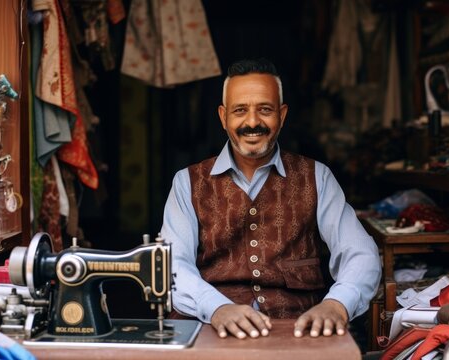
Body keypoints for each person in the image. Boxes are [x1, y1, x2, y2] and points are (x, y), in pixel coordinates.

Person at [160, 58, 381, 340]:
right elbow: (172, 266)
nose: (252, 122)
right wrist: (216, 308)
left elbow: (360, 252)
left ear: (282, 115)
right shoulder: (187, 182)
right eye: (240, 110)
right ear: (223, 117)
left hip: (298, 331)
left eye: (265, 109)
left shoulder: (318, 177)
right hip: (208, 328)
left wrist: (337, 304)